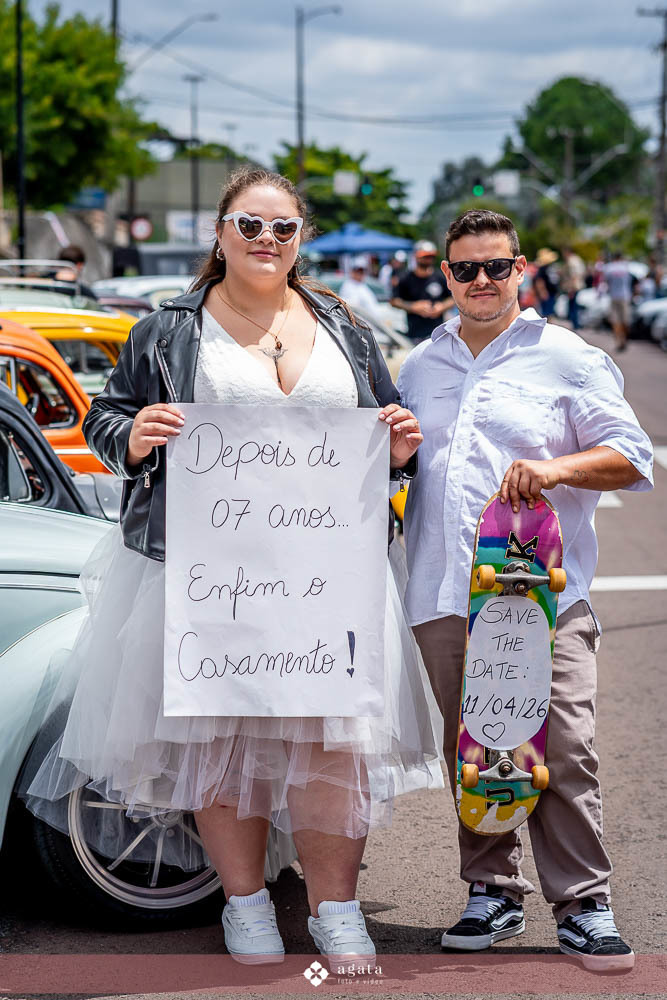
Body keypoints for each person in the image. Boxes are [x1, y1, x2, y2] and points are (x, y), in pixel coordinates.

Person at [23, 168, 442, 965]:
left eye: (283, 228)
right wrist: (134, 434)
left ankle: (334, 909)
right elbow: (108, 420)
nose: (266, 241)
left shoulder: (345, 326)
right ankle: (244, 903)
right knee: (221, 743)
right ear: (220, 233)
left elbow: (388, 430)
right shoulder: (168, 328)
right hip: (205, 574)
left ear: (301, 237)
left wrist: (397, 446)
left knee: (333, 742)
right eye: (250, 225)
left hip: (328, 580)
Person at [397, 209, 653, 972]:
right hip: (444, 591)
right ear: (445, 274)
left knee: (563, 745)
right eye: (464, 269)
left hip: (542, 592)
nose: (480, 282)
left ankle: (584, 904)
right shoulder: (417, 365)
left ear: (521, 272)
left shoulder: (567, 358)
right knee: (474, 746)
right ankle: (491, 892)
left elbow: (631, 457)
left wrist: (553, 469)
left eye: (495, 267)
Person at [391, 241, 453, 342]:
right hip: (414, 334)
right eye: (425, 256)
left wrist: (442, 306)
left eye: (431, 256)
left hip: (438, 334)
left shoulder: (440, 277)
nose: (428, 259)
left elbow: (453, 298)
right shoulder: (405, 278)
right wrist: (413, 307)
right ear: (416, 256)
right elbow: (394, 301)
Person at [339, 257, 385, 324]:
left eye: (362, 271)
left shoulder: (363, 285)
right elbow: (353, 307)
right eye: (358, 271)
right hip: (360, 324)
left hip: (371, 323)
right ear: (353, 271)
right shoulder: (348, 286)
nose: (360, 274)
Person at [603, 251, 633, 352]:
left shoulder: (609, 268)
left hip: (614, 296)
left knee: (615, 321)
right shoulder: (626, 267)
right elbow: (631, 281)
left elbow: (606, 282)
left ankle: (619, 340)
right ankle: (624, 338)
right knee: (625, 320)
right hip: (625, 296)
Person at [560, 247, 586, 331]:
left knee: (573, 306)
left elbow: (573, 276)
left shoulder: (571, 261)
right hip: (578, 285)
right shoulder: (578, 259)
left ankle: (575, 324)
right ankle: (576, 323)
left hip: (573, 286)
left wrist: (571, 288)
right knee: (574, 305)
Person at [533, 247, 559, 319]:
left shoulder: (549, 267)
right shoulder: (542, 269)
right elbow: (539, 281)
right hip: (547, 292)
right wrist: (542, 291)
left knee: (550, 310)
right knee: (546, 312)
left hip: (551, 292)